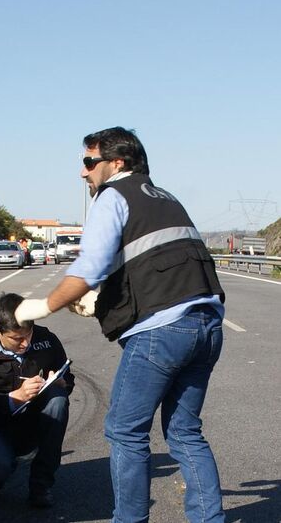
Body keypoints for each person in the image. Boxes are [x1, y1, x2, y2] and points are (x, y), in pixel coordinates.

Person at [14, 126, 225, 523]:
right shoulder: (166, 198)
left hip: (161, 331)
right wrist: (102, 303)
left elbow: (89, 267)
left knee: (125, 431)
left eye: (89, 161)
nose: (83, 171)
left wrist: (42, 306)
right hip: (207, 327)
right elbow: (154, 265)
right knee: (184, 432)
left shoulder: (113, 196)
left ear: (117, 163)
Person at [0, 292, 73, 509]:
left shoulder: (46, 339)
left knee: (58, 400)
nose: (25, 344)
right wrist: (14, 398)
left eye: (28, 335)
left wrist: (61, 383)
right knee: (0, 469)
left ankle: (41, 485)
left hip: (31, 422)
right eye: (16, 339)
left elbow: (67, 376)